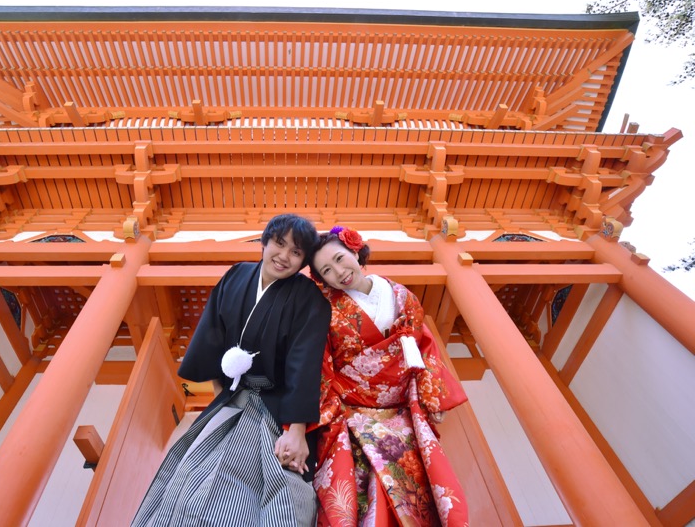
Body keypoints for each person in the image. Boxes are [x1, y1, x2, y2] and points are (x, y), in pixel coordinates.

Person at [132, 214, 332, 527]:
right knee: (187, 475)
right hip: (230, 398)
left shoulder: (310, 299)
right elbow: (211, 338)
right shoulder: (237, 275)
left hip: (275, 407)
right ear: (264, 242)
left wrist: (296, 432)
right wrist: (219, 405)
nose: (284, 257)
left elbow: (303, 362)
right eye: (279, 244)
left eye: (296, 253)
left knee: (269, 487)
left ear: (304, 260)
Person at [308, 226, 470, 527]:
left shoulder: (400, 296)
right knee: (366, 496)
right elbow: (322, 366)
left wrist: (430, 395)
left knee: (415, 493)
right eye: (327, 271)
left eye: (341, 260)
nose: (338, 273)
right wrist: (325, 412)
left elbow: (424, 346)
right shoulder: (325, 311)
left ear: (355, 251)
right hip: (352, 415)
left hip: (402, 416)